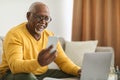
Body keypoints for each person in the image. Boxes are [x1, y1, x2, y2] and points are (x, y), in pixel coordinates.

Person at [0, 2, 81, 80]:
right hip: (11, 74)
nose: (43, 22)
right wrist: (38, 62)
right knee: (27, 77)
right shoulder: (15, 34)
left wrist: (78, 71)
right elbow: (15, 67)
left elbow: (63, 61)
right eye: (39, 17)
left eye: (46, 18)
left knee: (72, 74)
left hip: (41, 73)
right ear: (28, 16)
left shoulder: (49, 35)